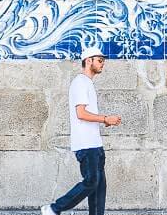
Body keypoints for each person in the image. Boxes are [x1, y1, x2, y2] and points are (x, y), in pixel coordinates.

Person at [42, 46, 121, 215]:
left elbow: (86, 114)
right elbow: (81, 113)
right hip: (86, 145)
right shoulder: (80, 82)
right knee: (91, 182)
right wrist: (105, 118)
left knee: (99, 188)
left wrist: (104, 121)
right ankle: (54, 208)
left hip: (95, 144)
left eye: (103, 61)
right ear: (88, 61)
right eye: (99, 60)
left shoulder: (87, 83)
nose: (102, 64)